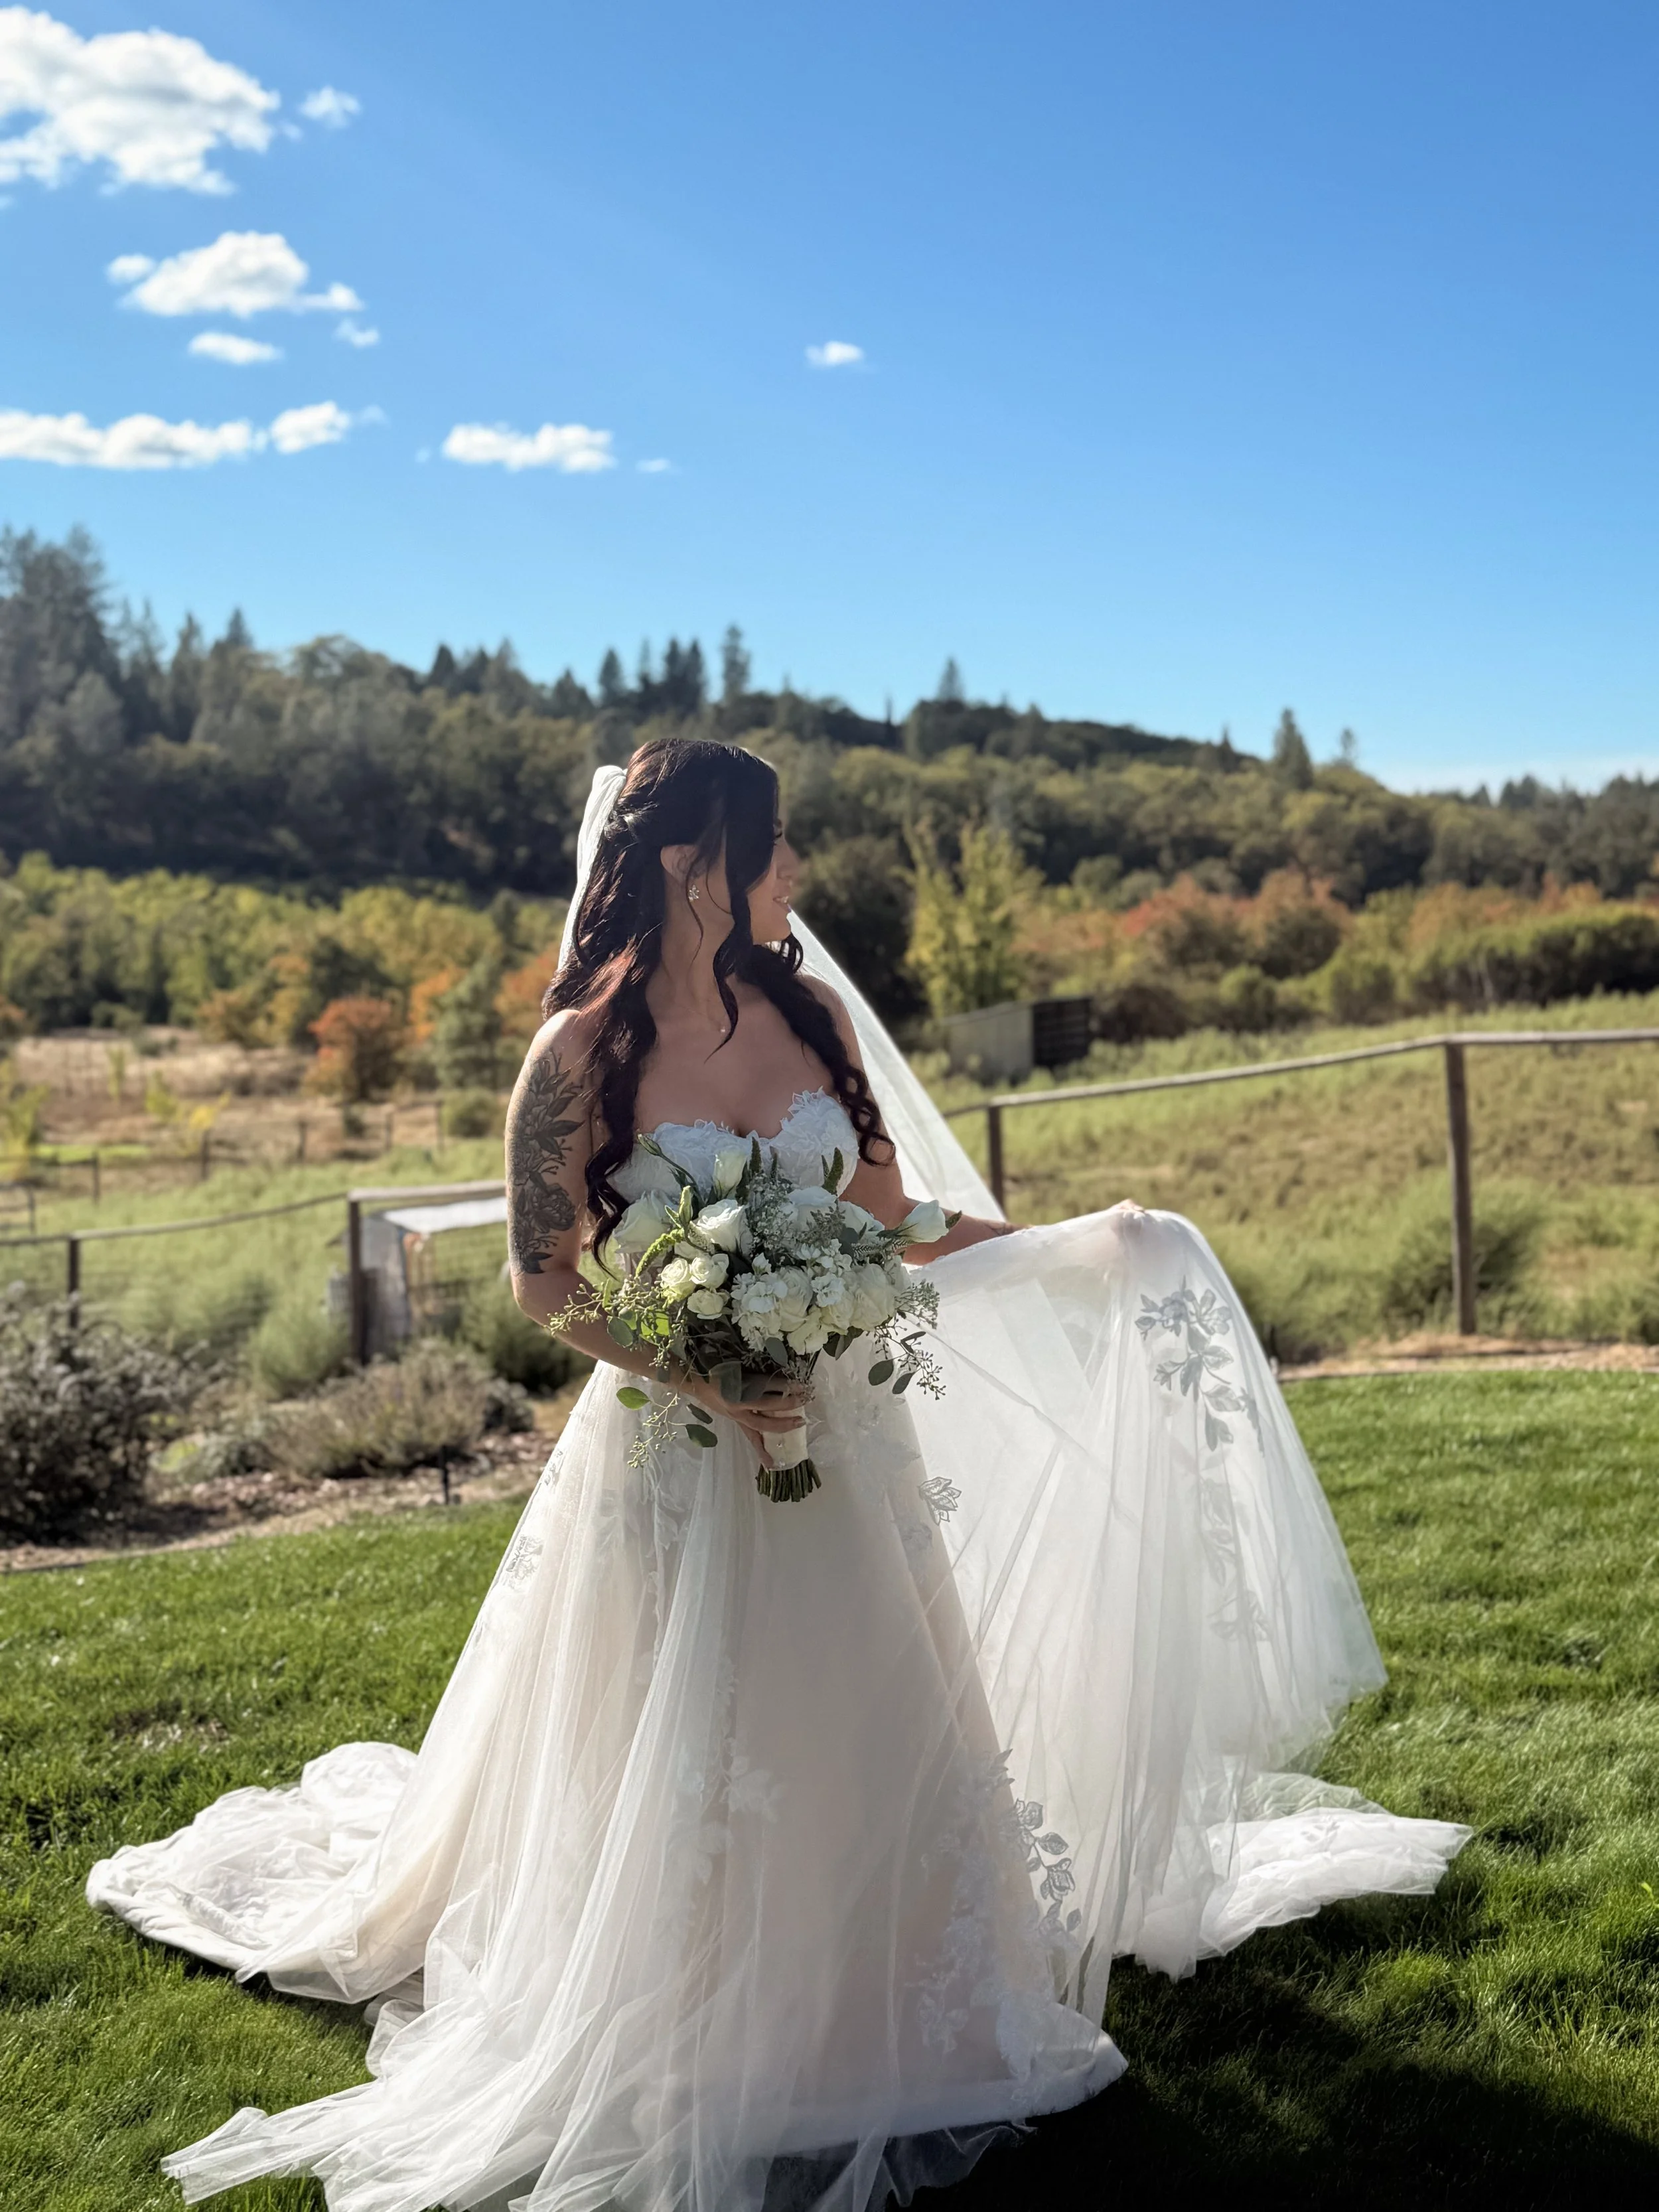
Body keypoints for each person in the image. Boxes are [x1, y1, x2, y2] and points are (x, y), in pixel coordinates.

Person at [88, 739, 1468, 2212]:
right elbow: (543, 1284)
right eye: (776, 842)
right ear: (695, 863)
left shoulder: (807, 1011)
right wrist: (709, 1373)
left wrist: (1069, 1246)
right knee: (690, 1731)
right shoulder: (574, 1059)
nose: (798, 870)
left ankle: (916, 1986)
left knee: (877, 1701)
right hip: (679, 1459)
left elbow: (888, 1212)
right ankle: (699, 1997)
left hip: (852, 1445)